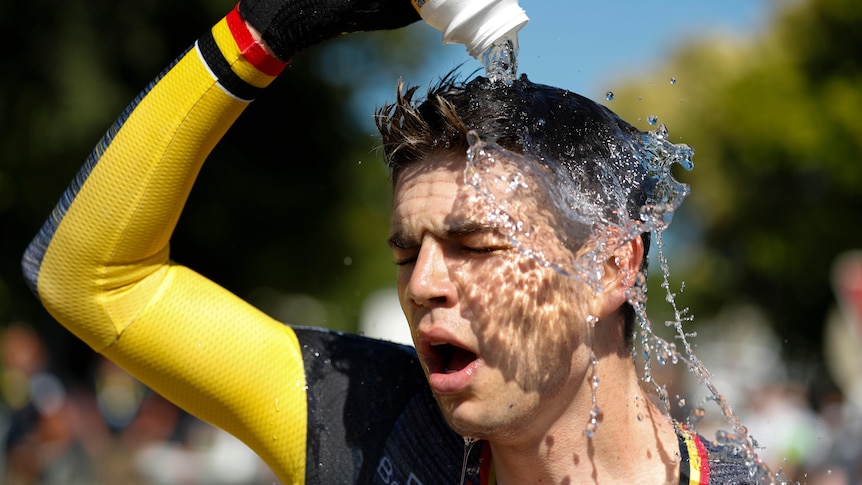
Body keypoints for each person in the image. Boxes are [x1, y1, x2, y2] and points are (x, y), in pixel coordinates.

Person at [21, 0, 757, 483]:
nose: (425, 283)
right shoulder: (373, 424)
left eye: (474, 244)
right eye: (408, 251)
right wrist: (266, 30)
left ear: (609, 267)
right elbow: (88, 278)